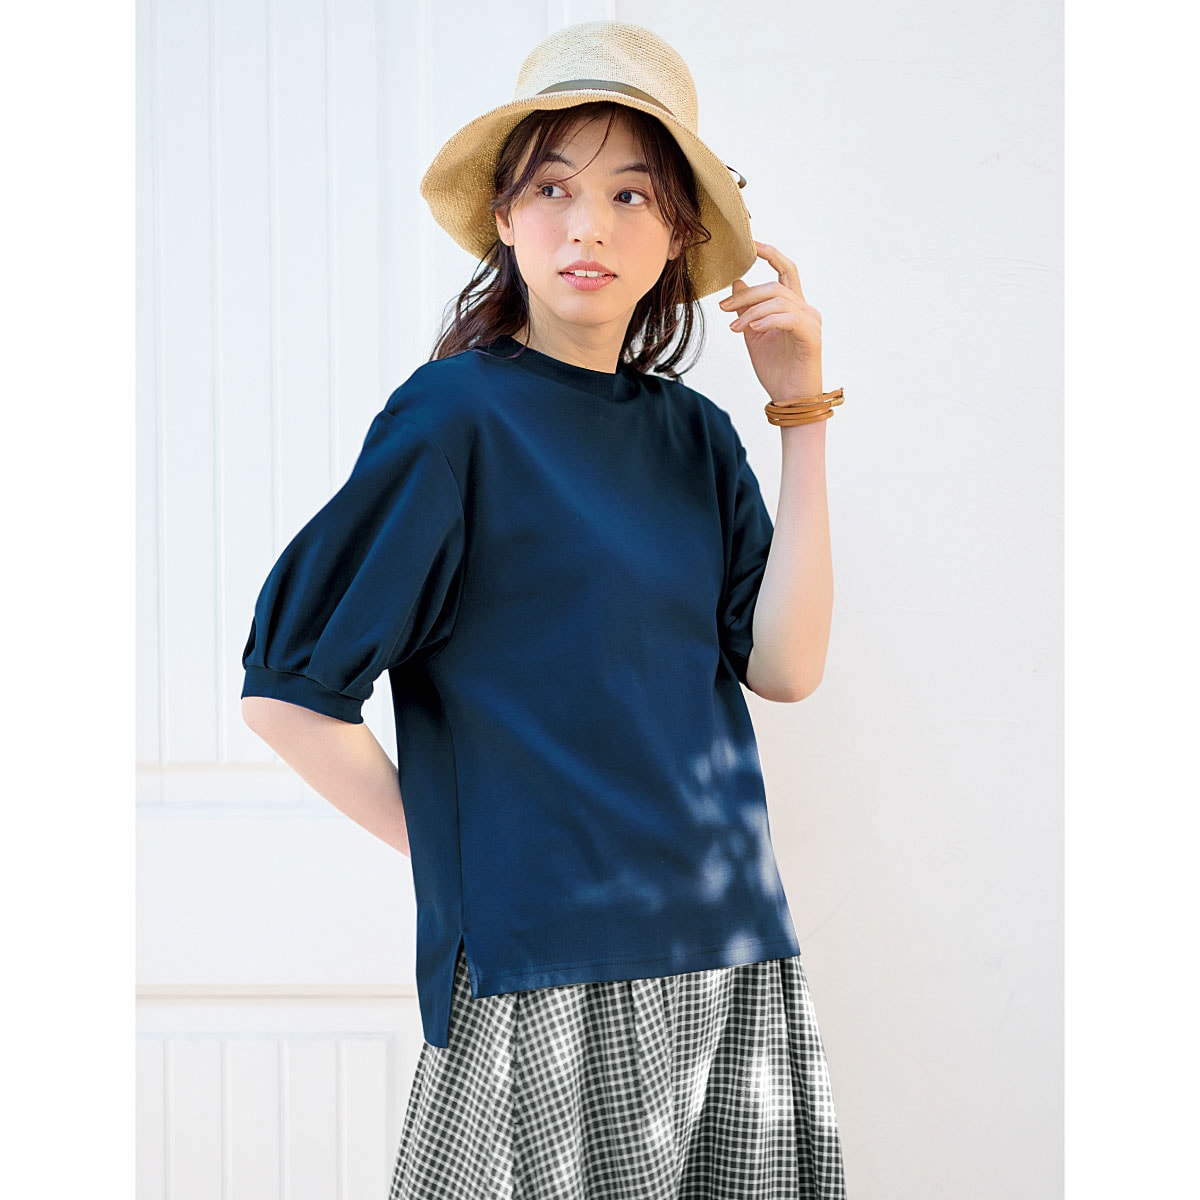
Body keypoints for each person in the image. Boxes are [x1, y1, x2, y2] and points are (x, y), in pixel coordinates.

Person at [240, 18, 846, 1200]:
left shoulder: (695, 437)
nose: (589, 227)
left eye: (632, 194)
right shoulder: (454, 419)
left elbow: (785, 667)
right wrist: (468, 860)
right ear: (505, 218)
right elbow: (288, 697)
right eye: (554, 188)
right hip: (543, 963)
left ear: (679, 234)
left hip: (727, 941)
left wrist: (801, 415)